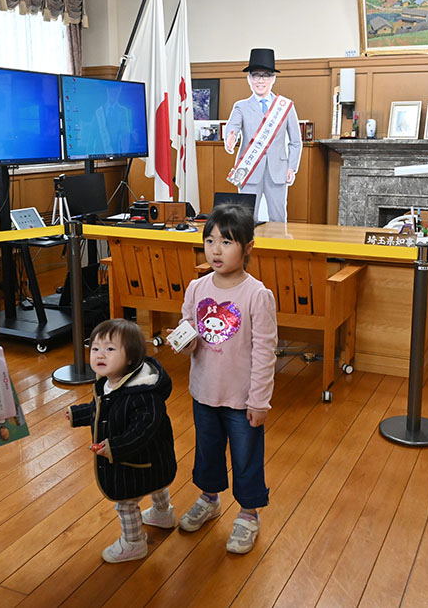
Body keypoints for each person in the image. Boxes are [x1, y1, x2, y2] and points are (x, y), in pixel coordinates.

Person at [174, 203, 277, 554]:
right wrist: (183, 338)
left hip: (242, 398)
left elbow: (265, 353)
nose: (216, 250)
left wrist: (259, 401)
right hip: (204, 391)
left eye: (227, 242)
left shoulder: (257, 296)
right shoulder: (197, 288)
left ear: (248, 247)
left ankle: (248, 515)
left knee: (246, 456)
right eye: (210, 241)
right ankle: (209, 498)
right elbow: (189, 326)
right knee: (207, 450)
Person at [66, 319, 178, 563]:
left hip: (134, 458)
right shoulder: (109, 383)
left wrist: (115, 448)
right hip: (151, 459)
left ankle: (134, 542)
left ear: (131, 358)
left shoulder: (145, 394)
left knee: (126, 502)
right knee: (157, 483)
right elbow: (103, 410)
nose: (100, 355)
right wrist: (78, 414)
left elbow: (144, 429)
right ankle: (162, 514)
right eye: (95, 348)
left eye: (110, 349)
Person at [224, 48, 302, 223]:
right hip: (249, 170)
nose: (260, 80)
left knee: (279, 218)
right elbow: (232, 128)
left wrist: (292, 167)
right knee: (245, 220)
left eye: (266, 75)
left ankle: (279, 250)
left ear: (273, 78)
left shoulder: (285, 106)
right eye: (256, 75)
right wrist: (230, 139)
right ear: (249, 79)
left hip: (278, 171)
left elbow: (296, 142)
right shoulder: (241, 106)